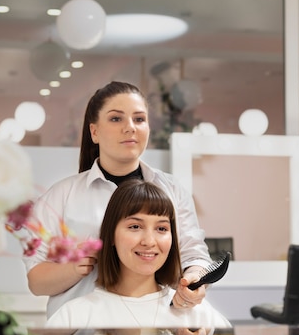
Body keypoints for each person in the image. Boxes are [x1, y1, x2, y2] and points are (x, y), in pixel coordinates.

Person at [23, 80, 212, 321]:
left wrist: (194, 279)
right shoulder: (60, 196)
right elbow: (36, 282)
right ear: (94, 131)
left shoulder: (172, 190)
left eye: (139, 119)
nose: (130, 127)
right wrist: (74, 269)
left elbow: (193, 255)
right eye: (116, 119)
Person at [44, 180, 231, 335]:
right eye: (135, 226)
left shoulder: (194, 314)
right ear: (110, 236)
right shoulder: (77, 313)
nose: (149, 242)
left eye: (161, 229)